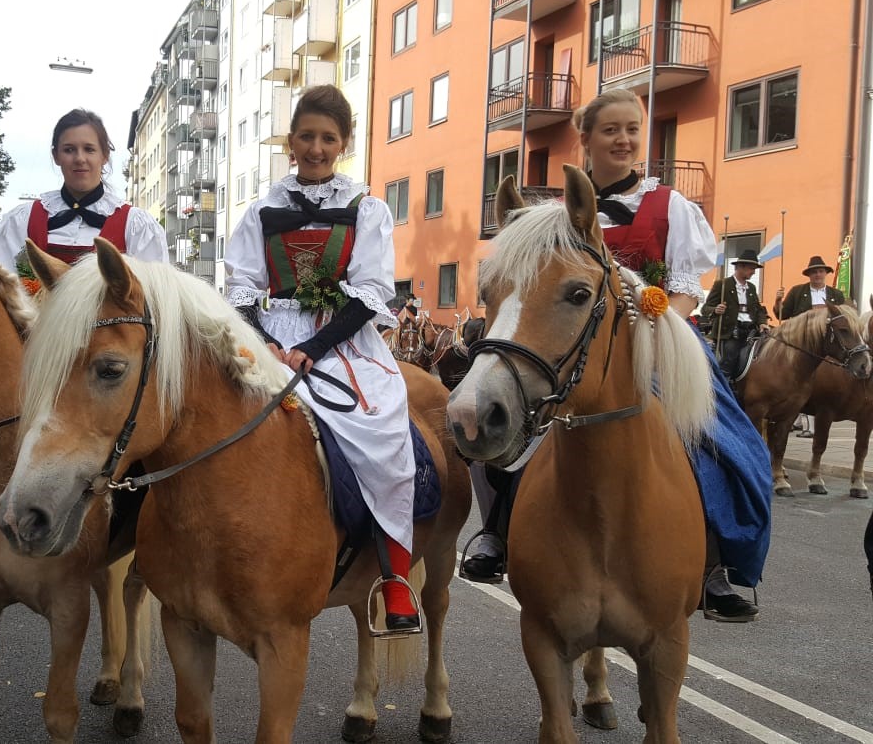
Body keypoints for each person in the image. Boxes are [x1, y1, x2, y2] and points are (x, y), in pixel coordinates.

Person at [463, 88, 772, 623]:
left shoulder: (670, 205)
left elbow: (684, 286)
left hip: (657, 332)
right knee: (522, 413)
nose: (624, 139)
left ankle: (718, 559)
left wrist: (648, 319)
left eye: (633, 128)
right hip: (573, 338)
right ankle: (498, 530)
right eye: (611, 130)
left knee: (719, 435)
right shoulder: (552, 215)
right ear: (586, 139)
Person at [225, 84, 419, 634]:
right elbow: (242, 285)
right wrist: (266, 341)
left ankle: (395, 576)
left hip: (341, 341)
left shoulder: (368, 209)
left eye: (327, 138)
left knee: (382, 429)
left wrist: (311, 348)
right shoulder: (262, 209)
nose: (316, 147)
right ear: (291, 141)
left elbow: (370, 292)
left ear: (343, 144)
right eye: (307, 135)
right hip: (269, 334)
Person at [0, 109, 168, 270]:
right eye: (69, 150)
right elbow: (0, 289)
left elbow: (153, 298)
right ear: (56, 156)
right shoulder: (21, 220)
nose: (79, 158)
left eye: (89, 149)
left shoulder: (136, 226)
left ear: (104, 156)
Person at [702, 250, 771, 383]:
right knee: (729, 358)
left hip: (751, 331)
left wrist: (762, 322)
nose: (754, 272)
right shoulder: (722, 285)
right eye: (751, 268)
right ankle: (724, 386)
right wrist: (716, 310)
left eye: (754, 269)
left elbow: (758, 310)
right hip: (730, 332)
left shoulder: (751, 287)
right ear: (740, 267)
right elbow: (706, 308)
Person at [775, 256, 846, 320]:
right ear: (809, 274)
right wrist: (778, 302)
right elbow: (782, 315)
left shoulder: (836, 294)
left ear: (826, 273)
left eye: (821, 271)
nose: (818, 275)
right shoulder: (796, 292)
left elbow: (843, 317)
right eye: (814, 272)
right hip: (802, 332)